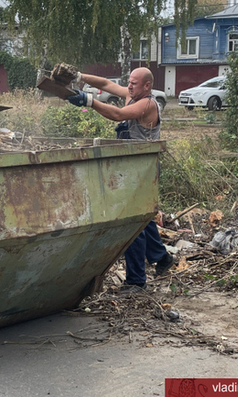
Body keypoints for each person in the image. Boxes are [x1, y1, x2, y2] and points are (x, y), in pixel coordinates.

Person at [65, 67, 175, 293]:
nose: (129, 86)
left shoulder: (147, 104)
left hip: (144, 170)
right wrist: (79, 77)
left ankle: (136, 281)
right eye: (129, 82)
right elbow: (105, 84)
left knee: (130, 223)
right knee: (143, 219)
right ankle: (162, 258)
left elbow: (118, 115)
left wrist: (89, 101)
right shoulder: (132, 95)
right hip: (132, 168)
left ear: (147, 86)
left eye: (135, 83)